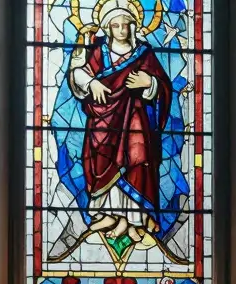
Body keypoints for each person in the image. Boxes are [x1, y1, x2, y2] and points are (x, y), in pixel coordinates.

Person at [57, 0, 184, 264]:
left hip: (136, 120)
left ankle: (134, 219)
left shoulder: (144, 53)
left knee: (136, 161)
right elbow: (78, 75)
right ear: (108, 28)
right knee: (101, 160)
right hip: (102, 121)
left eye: (125, 25)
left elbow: (163, 87)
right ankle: (107, 215)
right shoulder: (97, 51)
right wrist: (91, 83)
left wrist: (148, 82)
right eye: (115, 25)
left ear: (133, 27)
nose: (121, 29)